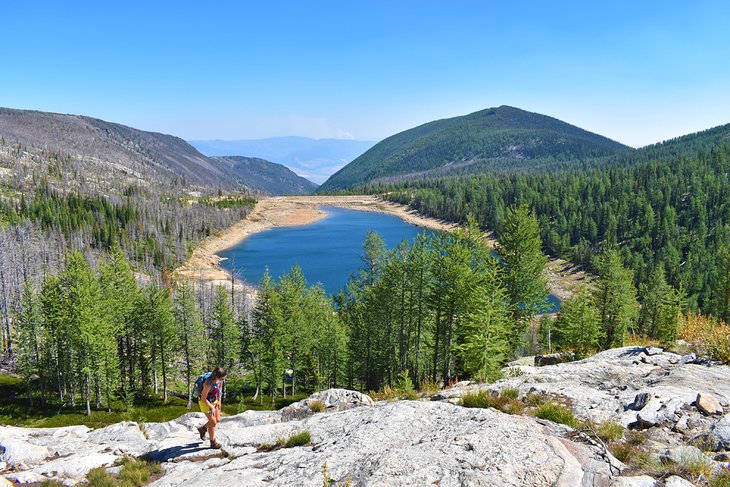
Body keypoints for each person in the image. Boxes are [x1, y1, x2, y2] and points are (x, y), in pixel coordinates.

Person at [196, 366, 226, 449]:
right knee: (213, 422)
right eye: (222, 379)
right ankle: (213, 442)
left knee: (217, 420)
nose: (223, 380)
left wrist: (219, 401)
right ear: (216, 376)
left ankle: (203, 428)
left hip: (214, 400)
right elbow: (203, 399)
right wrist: (211, 407)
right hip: (205, 403)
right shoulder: (208, 383)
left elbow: (220, 388)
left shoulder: (219, 380)